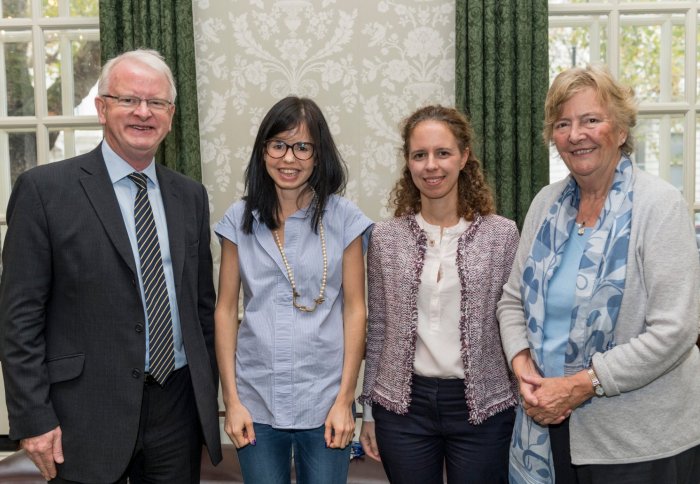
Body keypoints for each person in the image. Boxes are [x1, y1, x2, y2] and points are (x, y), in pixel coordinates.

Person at [0, 49, 222, 482]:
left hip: (176, 410)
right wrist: (33, 417)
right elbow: (18, 319)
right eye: (128, 100)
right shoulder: (45, 191)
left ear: (171, 116)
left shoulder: (189, 196)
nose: (143, 112)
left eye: (156, 102)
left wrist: (207, 397)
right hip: (83, 413)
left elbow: (201, 309)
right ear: (102, 108)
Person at [497, 64, 700, 484]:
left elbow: (674, 331)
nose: (576, 134)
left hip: (640, 442)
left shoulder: (659, 205)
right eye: (563, 123)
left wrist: (581, 384)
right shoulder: (545, 204)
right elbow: (512, 298)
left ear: (621, 131)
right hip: (548, 427)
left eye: (591, 120)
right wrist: (522, 366)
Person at [214, 96, 372, 483]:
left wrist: (345, 401)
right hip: (256, 398)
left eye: (303, 147)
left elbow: (356, 310)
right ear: (263, 150)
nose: (289, 158)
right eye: (279, 145)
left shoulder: (345, 218)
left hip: (324, 400)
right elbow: (224, 311)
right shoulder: (240, 219)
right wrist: (231, 401)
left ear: (319, 156)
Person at [359, 105, 519, 484]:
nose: (431, 165)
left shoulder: (502, 235)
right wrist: (367, 412)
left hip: (483, 406)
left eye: (442, 153)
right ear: (408, 163)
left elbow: (514, 321)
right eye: (420, 155)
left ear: (464, 157)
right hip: (403, 408)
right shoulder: (385, 238)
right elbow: (378, 328)